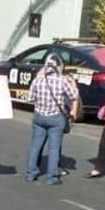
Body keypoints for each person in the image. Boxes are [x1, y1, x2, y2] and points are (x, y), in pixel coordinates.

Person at [24, 53, 78, 186]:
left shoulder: (38, 80)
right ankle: (52, 177)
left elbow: (29, 98)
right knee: (54, 149)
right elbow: (73, 95)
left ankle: (31, 173)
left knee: (35, 146)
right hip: (56, 118)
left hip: (39, 116)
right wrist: (73, 84)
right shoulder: (62, 80)